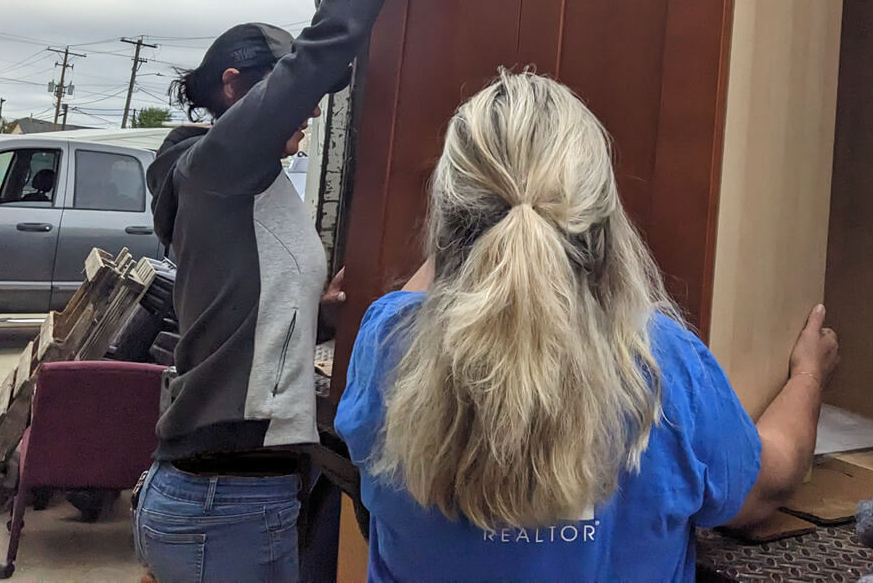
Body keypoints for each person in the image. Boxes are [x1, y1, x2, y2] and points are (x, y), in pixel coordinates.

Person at [336, 70, 839, 583]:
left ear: (448, 219)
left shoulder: (389, 344)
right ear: (603, 222)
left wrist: (471, 226)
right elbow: (767, 486)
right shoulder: (663, 364)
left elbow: (435, 284)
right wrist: (808, 376)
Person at [133, 0, 465, 583]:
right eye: (293, 96)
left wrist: (315, 309)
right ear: (233, 88)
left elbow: (234, 320)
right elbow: (325, 48)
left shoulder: (248, 189)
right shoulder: (216, 165)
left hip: (238, 494)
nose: (308, 112)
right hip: (224, 500)